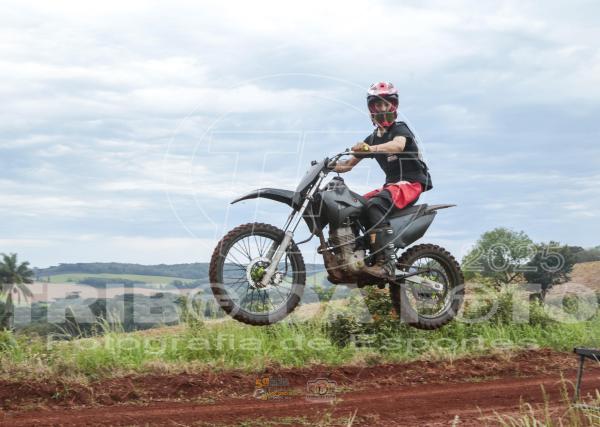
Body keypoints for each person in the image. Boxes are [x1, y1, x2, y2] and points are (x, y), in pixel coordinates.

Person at [333, 81, 432, 280]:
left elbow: (397, 146)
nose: (382, 108)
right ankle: (362, 252)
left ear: (393, 106)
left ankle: (386, 261)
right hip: (391, 186)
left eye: (386, 103)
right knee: (355, 205)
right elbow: (348, 165)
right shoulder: (372, 138)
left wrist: (370, 149)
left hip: (411, 183)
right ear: (372, 108)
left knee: (374, 206)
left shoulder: (400, 129)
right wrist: (328, 165)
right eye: (378, 104)